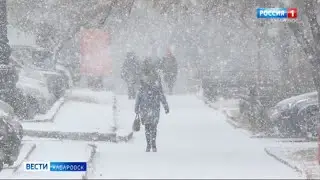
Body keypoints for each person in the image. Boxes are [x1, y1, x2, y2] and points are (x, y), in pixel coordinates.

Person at [135, 57, 170, 152]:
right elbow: (161, 93)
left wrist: (136, 107)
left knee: (147, 126)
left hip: (144, 106)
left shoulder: (142, 78)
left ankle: (148, 145)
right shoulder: (156, 78)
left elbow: (139, 94)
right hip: (154, 105)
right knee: (154, 126)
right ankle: (153, 144)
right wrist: (165, 105)